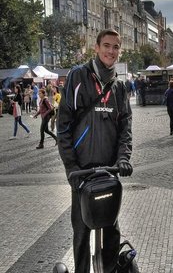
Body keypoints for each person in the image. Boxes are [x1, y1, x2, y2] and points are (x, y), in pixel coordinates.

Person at [57, 28, 133, 273]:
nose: (111, 51)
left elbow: (125, 128)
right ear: (97, 48)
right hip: (81, 173)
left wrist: (123, 158)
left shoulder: (119, 87)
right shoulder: (78, 77)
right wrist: (71, 168)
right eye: (107, 45)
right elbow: (64, 126)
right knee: (81, 232)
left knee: (112, 231)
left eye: (116, 47)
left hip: (109, 171)